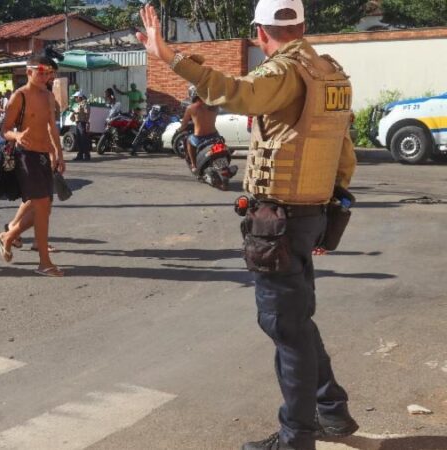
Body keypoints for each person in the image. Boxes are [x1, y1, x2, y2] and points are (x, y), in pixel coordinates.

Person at [138, 1, 359, 449]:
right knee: (298, 320)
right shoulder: (328, 70)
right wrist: (330, 203)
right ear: (303, 25)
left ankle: (296, 437)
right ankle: (331, 409)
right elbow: (343, 146)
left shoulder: (283, 72)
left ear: (260, 33)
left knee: (285, 327)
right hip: (311, 211)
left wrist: (170, 56)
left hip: (279, 219)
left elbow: (233, 92)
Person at [0, 55, 66, 277]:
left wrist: (59, 153)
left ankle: (8, 236)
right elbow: (4, 128)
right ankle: (44, 262)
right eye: (41, 71)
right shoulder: (20, 96)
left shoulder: (47, 96)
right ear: (29, 72)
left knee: (43, 207)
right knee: (42, 206)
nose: (45, 76)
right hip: (26, 155)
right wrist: (16, 135)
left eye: (48, 73)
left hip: (44, 156)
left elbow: (52, 128)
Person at [180, 85, 219, 174]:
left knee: (189, 141)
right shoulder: (214, 106)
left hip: (200, 138)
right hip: (214, 135)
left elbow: (184, 124)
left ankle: (194, 165)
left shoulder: (190, 108)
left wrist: (179, 130)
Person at [70, 90, 91, 161]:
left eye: (76, 97)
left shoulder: (84, 103)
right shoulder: (79, 104)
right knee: (79, 139)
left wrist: (87, 122)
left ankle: (86, 155)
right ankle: (80, 155)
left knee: (83, 139)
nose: (75, 98)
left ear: (79, 97)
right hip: (78, 123)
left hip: (82, 123)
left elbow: (87, 113)